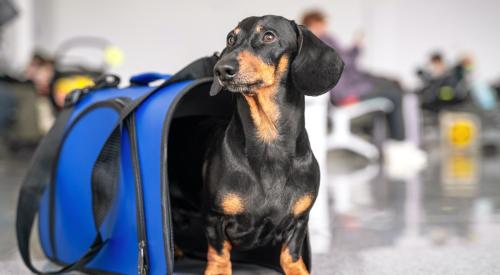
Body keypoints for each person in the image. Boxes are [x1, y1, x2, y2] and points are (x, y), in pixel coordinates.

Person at [301, 10, 406, 141]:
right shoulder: (322, 41)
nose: (325, 28)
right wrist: (357, 47)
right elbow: (344, 62)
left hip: (346, 87)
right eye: (322, 24)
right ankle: (398, 143)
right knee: (395, 94)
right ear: (314, 23)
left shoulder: (310, 44)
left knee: (391, 86)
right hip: (345, 93)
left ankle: (390, 141)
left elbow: (344, 60)